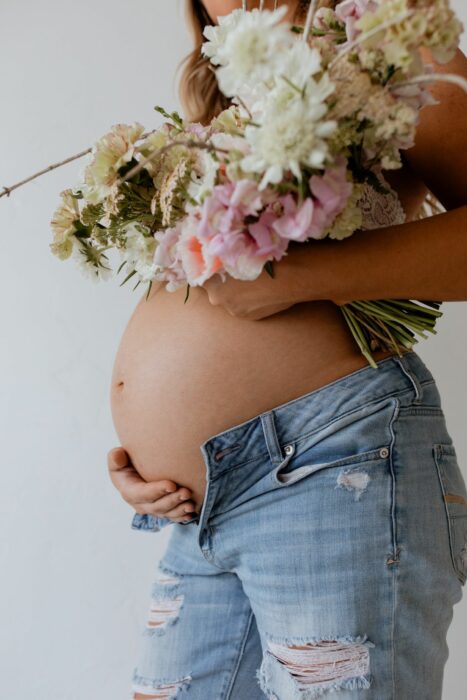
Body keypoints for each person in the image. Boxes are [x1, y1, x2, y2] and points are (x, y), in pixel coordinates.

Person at [107, 1, 467, 697]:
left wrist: (303, 279)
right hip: (198, 503)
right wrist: (157, 448)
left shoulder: (389, 28)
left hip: (332, 466)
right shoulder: (223, 87)